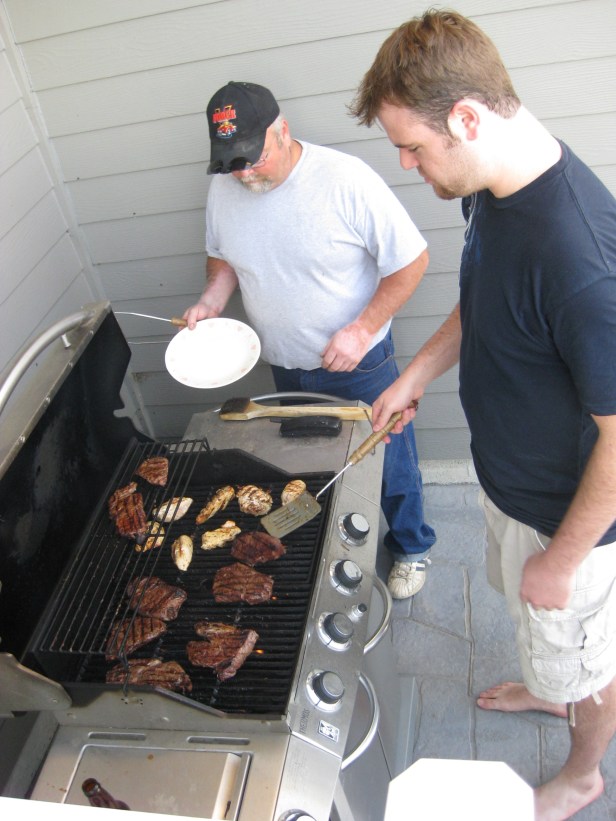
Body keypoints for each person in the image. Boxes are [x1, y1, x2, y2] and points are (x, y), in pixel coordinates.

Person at [350, 9, 616, 821]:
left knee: (588, 656)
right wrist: (417, 372)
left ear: (466, 118)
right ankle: (554, 683)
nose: (406, 163)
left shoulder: (581, 262)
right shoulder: (496, 189)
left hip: (567, 520)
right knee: (546, 636)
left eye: (414, 146)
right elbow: (481, 300)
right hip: (510, 483)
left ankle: (583, 765)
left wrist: (562, 559)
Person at [183, 81, 436, 599]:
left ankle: (411, 547)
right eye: (231, 163)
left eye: (252, 158)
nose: (243, 172)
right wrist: (212, 299)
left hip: (360, 363)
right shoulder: (225, 187)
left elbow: (412, 261)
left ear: (283, 131)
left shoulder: (345, 180)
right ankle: (333, 545)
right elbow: (223, 255)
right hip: (283, 363)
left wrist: (362, 330)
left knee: (387, 456)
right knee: (308, 464)